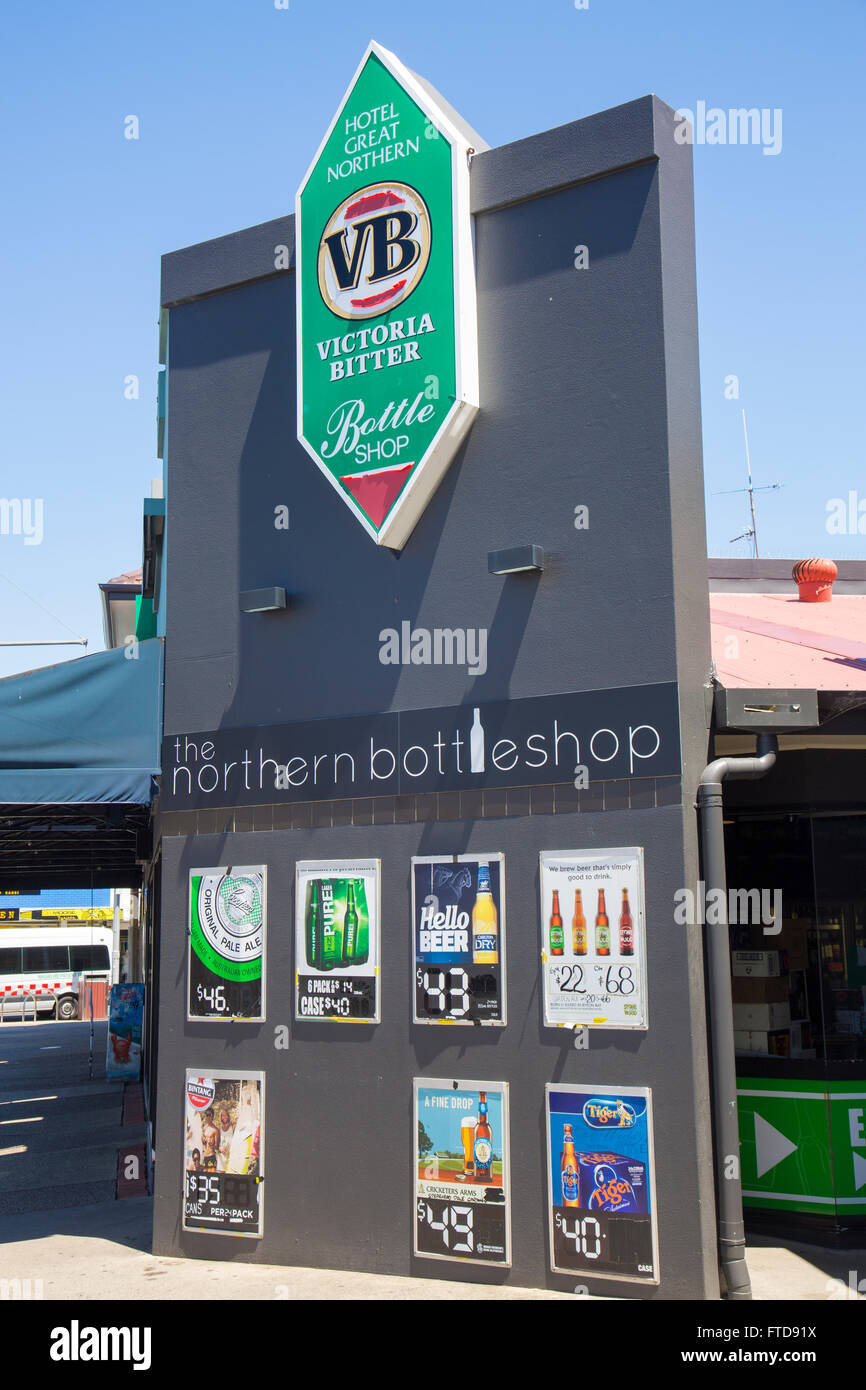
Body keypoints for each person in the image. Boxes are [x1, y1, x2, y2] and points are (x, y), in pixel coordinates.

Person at [216, 1106, 235, 1172]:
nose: (224, 1117)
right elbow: (216, 1145)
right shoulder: (219, 1129)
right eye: (222, 1115)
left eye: (225, 1115)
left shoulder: (233, 1127)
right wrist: (219, 1148)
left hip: (231, 1158)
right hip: (221, 1159)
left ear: (228, 1116)